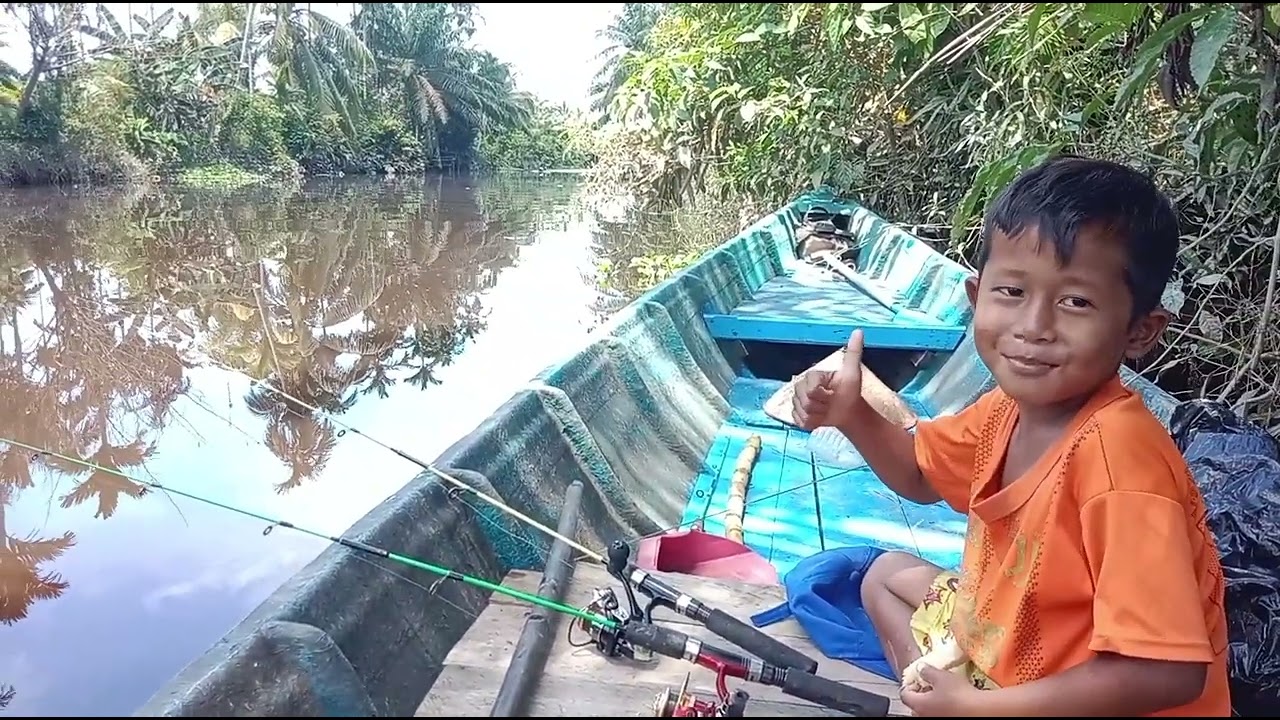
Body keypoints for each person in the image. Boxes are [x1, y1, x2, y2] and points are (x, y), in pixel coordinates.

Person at [791, 155, 1231, 717]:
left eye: (1076, 302)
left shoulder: (1121, 464)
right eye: (1012, 292)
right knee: (881, 577)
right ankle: (934, 698)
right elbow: (921, 474)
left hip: (1084, 699)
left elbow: (1167, 672)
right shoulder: (1007, 408)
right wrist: (852, 414)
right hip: (1016, 647)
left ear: (1140, 331)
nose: (1034, 327)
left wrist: (977, 709)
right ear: (977, 298)